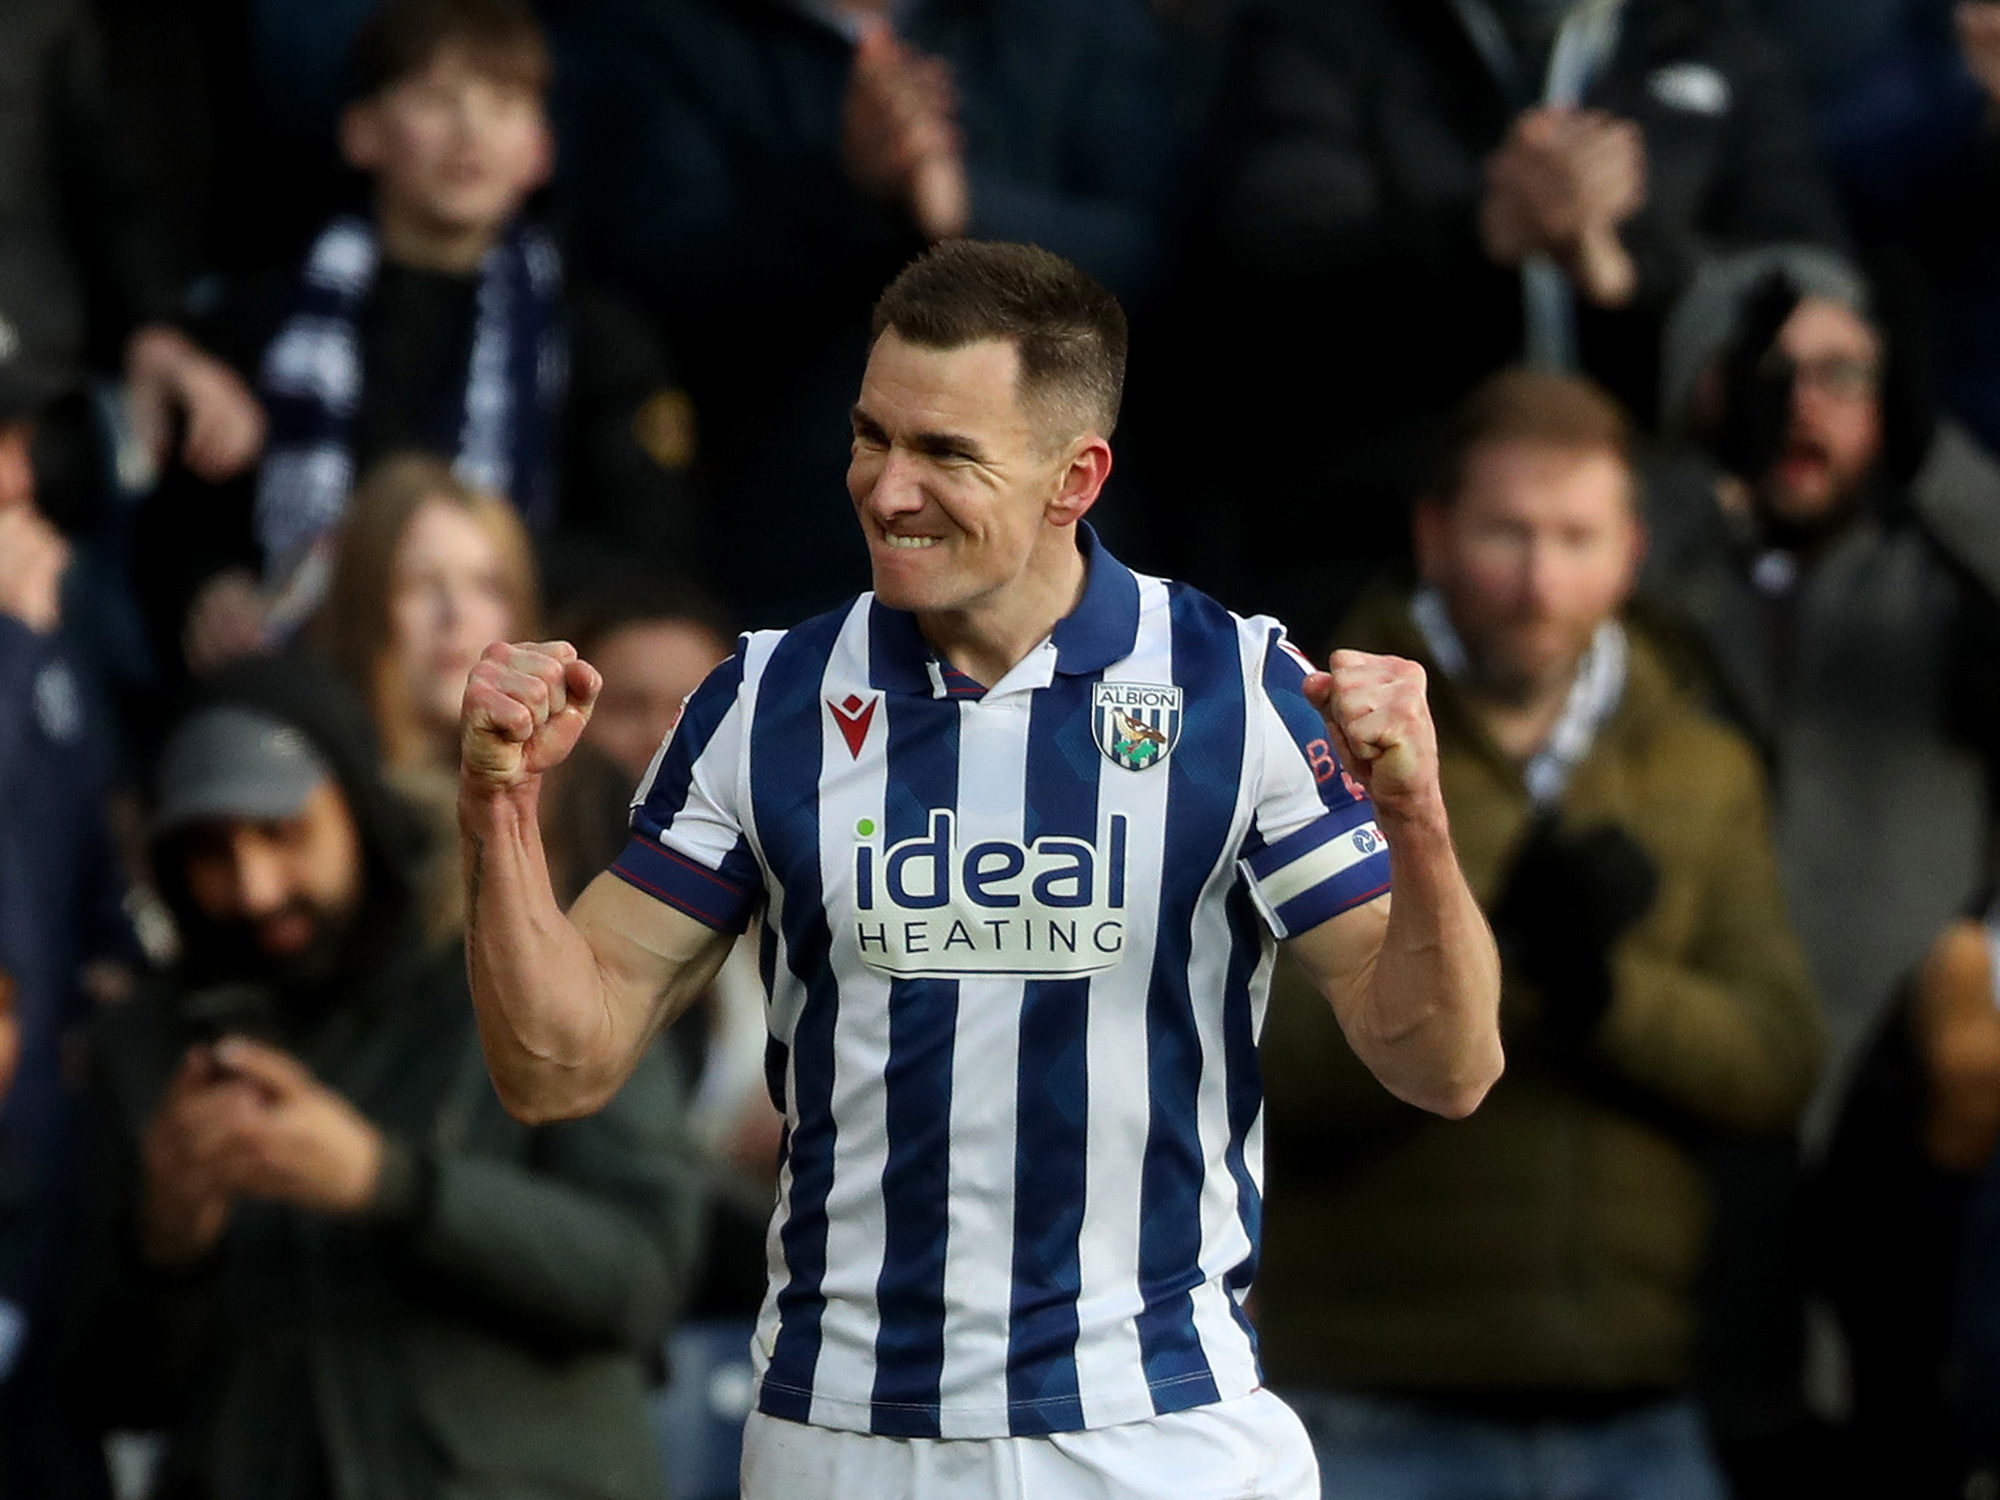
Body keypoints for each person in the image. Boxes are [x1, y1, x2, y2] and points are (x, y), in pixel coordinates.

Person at [456, 239, 1502, 1499]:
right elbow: (556, 1064)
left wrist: (1420, 824)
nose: (888, 490)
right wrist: (500, 809)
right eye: (870, 436)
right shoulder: (763, 700)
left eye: (946, 455)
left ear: (1077, 478)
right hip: (840, 1438)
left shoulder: (1239, 693)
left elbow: (1442, 1064)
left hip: (1153, 1434)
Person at [1253, 368, 1821, 1500]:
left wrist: (1605, 996)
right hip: (1361, 1404)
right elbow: (1264, 1077)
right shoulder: (1308, 738)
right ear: (1432, 533)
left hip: (1635, 1410)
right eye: (1505, 534)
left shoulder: (1702, 765)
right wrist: (1486, 959)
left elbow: (1776, 1065)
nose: (1536, 580)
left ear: (1629, 549)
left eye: (1573, 536)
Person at [62, 651, 702, 1500]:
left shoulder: (519, 971)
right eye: (209, 853)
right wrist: (168, 1244)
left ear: (359, 810)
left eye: (283, 832)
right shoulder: (147, 1047)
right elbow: (115, 1396)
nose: (253, 888)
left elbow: (640, 1278)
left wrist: (383, 1182)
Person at [1184, 0, 1847, 652]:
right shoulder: (1325, 30)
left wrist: (1624, 271)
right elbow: (1263, 278)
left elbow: (1813, 286)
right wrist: (1479, 237)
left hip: (1681, 539)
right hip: (1367, 540)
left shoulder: (1713, 36)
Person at [549, 0, 1182, 624]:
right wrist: (842, 186)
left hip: (1061, 565)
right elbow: (642, 278)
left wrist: (965, 208)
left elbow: (1170, 256)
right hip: (769, 551)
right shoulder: (654, 27)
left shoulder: (1078, 21)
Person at [168, 0, 701, 673]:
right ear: (362, 132)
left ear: (540, 150)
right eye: (437, 99)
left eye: (504, 104)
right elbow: (186, 523)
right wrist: (211, 589)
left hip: (513, 671)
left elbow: (646, 548)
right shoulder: (264, 318)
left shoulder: (595, 336)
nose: (470, 132)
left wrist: (428, 577)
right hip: (304, 672)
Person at [0, 347, 140, 1499]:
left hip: (42, 1184)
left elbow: (93, 886)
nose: (16, 481)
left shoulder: (44, 639)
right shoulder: (19, 635)